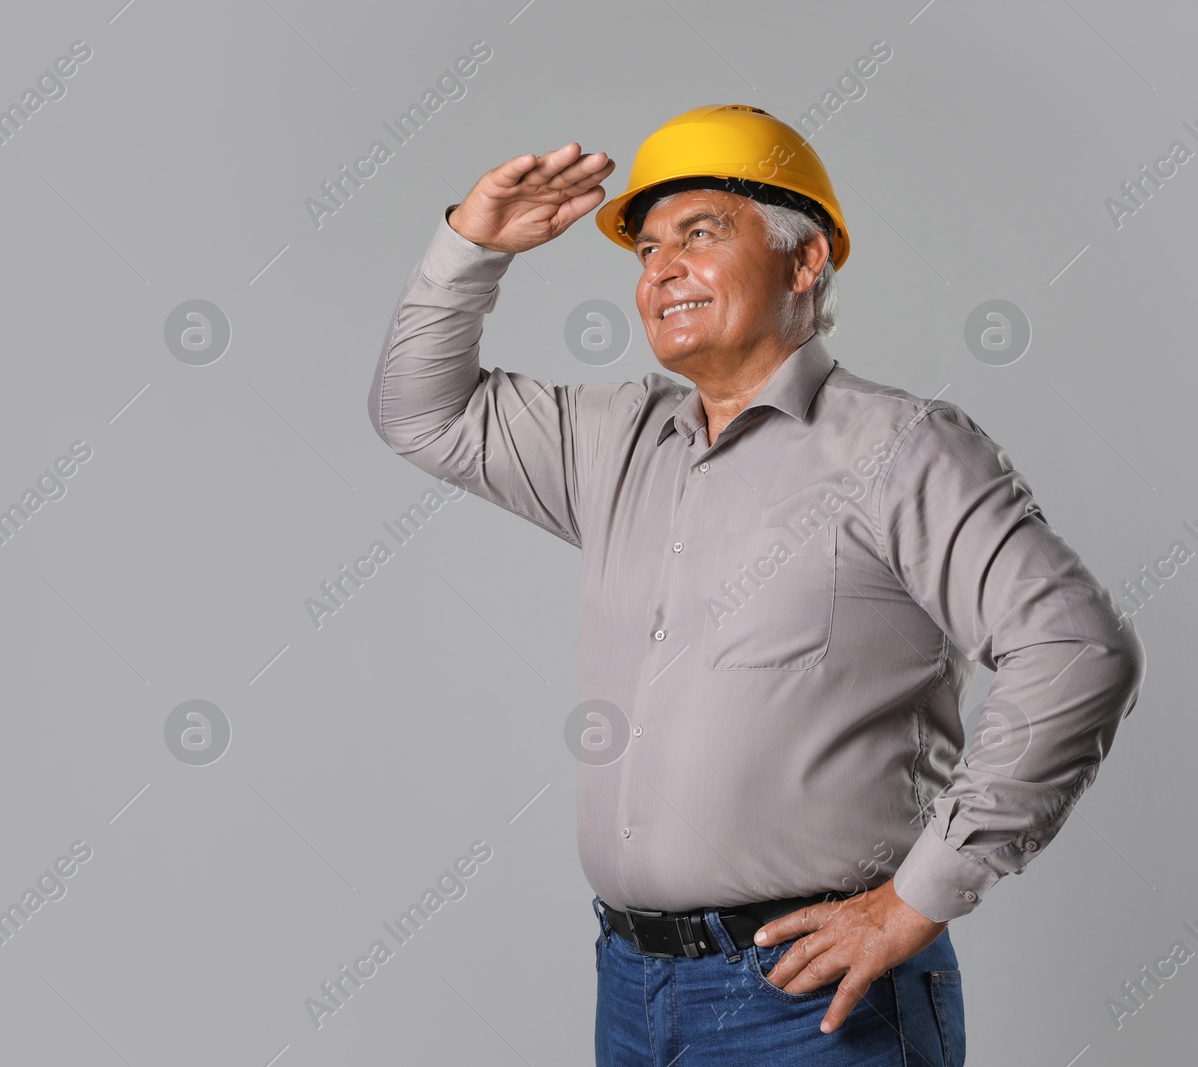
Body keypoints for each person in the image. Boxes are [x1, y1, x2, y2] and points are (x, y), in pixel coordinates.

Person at [367, 105, 1146, 1066]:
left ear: (806, 258)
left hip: (813, 1007)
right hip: (631, 988)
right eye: (647, 248)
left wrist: (919, 898)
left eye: (700, 234)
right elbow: (422, 413)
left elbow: (1076, 650)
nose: (660, 270)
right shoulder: (615, 440)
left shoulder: (901, 448)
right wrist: (469, 247)